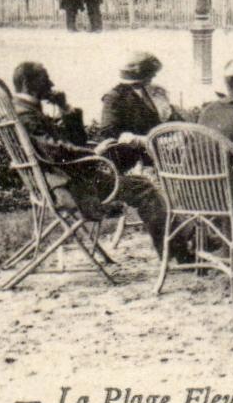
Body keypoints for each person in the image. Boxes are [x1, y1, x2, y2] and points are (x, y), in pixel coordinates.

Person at [11, 61, 189, 264]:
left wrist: (65, 108)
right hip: (69, 187)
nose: (51, 84)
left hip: (61, 181)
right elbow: (56, 151)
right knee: (144, 188)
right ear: (27, 83)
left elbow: (71, 142)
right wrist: (94, 152)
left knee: (141, 185)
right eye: (45, 79)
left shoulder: (23, 109)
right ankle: (179, 254)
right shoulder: (26, 114)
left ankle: (178, 248)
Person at [97, 51, 178, 173]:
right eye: (151, 74)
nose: (154, 77)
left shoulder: (152, 92)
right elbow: (108, 132)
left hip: (159, 151)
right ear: (141, 76)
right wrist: (138, 140)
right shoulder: (115, 97)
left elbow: (170, 119)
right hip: (134, 159)